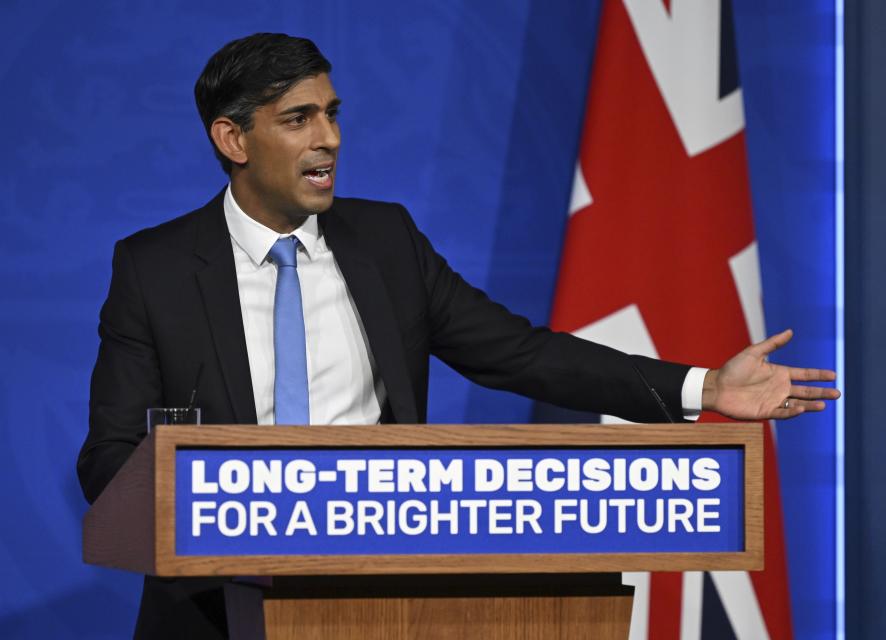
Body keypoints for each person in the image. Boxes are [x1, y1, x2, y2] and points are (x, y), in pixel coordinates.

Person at [77, 33, 839, 639]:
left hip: (386, 599)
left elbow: (521, 352)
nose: (330, 138)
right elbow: (109, 454)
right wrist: (203, 506)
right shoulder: (157, 268)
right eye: (298, 119)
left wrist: (704, 386)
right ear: (233, 139)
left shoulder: (385, 239)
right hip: (216, 612)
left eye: (333, 113)